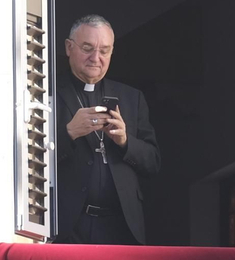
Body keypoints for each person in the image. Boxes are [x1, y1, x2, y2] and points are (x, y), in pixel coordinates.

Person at [52, 15, 161, 245]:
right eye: (87, 48)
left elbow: (153, 162)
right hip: (70, 226)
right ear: (69, 48)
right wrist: (69, 133)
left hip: (120, 226)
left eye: (104, 50)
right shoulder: (48, 93)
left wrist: (125, 141)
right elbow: (29, 159)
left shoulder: (132, 98)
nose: (96, 58)